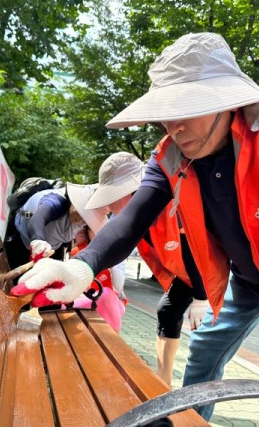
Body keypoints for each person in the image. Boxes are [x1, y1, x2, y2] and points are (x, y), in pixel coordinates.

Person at [11, 32, 259, 426]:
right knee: (205, 349)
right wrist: (80, 267)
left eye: (186, 110)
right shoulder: (171, 155)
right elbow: (130, 220)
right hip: (247, 279)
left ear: (225, 102)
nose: (173, 127)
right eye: (166, 113)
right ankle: (193, 422)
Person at [84, 151, 208, 385]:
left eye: (113, 196)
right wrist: (82, 268)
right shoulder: (137, 218)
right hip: (188, 276)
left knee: (207, 342)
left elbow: (195, 248)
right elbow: (112, 246)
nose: (109, 205)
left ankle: (191, 406)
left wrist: (201, 298)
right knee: (167, 311)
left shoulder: (174, 201)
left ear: (133, 192)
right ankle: (164, 382)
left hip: (214, 275)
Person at [4, 182, 107, 269]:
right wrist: (38, 240)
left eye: (87, 217)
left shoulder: (82, 221)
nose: (81, 219)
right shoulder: (55, 201)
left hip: (45, 255)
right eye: (82, 211)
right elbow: (38, 218)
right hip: (19, 243)